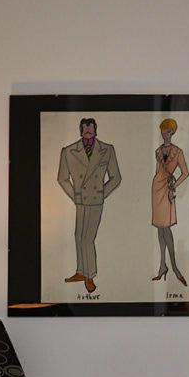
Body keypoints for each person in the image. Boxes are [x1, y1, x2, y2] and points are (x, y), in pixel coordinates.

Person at [56, 117, 121, 294]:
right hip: (80, 201)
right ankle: (80, 271)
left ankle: (90, 275)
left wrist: (101, 194)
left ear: (95, 129)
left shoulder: (107, 149)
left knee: (87, 238)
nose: (87, 131)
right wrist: (75, 196)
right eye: (84, 128)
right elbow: (62, 178)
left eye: (90, 128)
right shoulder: (68, 151)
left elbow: (116, 178)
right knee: (78, 236)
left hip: (95, 201)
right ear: (80, 130)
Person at [150, 119, 189, 287]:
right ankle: (162, 266)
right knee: (160, 229)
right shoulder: (158, 151)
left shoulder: (178, 152)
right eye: (162, 130)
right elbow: (157, 171)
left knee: (166, 228)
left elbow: (185, 173)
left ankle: (174, 267)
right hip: (156, 189)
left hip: (167, 189)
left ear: (172, 132)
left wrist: (174, 185)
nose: (164, 133)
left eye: (167, 130)